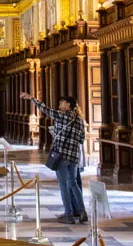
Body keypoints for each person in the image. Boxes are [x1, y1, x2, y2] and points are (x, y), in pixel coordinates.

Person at [21, 92, 88, 223]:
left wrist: (31, 98)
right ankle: (82, 212)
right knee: (73, 183)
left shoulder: (61, 115)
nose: (59, 104)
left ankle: (69, 215)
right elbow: (81, 139)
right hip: (74, 156)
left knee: (63, 185)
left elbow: (44, 108)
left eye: (61, 102)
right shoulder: (80, 120)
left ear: (68, 105)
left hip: (62, 156)